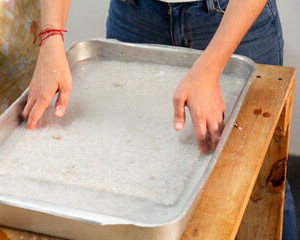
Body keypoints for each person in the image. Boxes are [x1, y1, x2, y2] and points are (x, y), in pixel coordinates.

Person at [22, 0, 296, 238]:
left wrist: (211, 67)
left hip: (230, 18)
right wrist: (51, 37)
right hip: (134, 18)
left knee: (258, 185)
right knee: (135, 187)